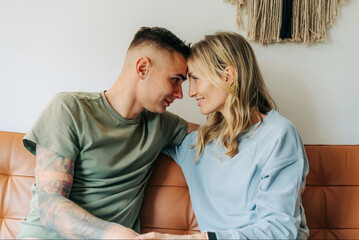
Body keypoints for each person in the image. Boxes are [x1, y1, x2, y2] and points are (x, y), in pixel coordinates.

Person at [17, 26, 198, 239]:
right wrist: (116, 234)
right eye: (175, 80)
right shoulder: (69, 109)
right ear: (142, 68)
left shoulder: (162, 124)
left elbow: (219, 132)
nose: (179, 94)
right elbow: (50, 208)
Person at [138, 32, 309, 240]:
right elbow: (137, 125)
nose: (190, 92)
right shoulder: (196, 144)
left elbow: (280, 231)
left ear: (227, 76)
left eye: (195, 79)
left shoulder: (279, 134)